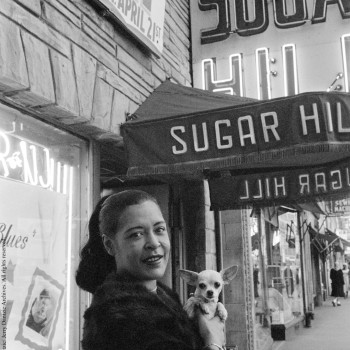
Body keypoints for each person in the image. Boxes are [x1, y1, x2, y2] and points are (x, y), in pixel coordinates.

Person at [76, 190, 226, 350]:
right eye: (137, 234)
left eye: (159, 229)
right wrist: (213, 341)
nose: (154, 243)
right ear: (109, 245)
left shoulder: (163, 298)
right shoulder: (120, 318)